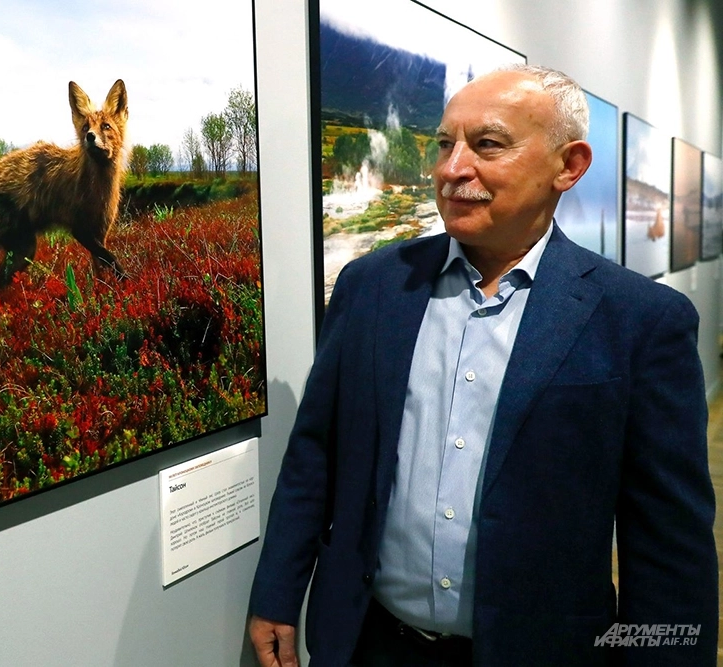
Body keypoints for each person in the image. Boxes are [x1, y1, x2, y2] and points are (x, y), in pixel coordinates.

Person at [248, 64, 718, 666]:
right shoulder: (372, 286)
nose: (452, 169)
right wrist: (278, 593)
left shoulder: (640, 319)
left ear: (568, 166)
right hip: (371, 644)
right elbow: (316, 454)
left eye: (487, 144)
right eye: (445, 144)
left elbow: (669, 543)